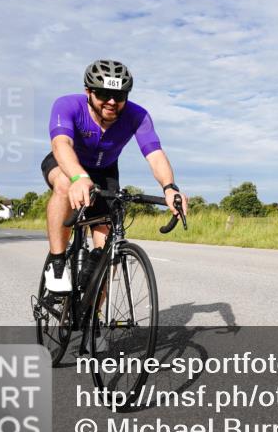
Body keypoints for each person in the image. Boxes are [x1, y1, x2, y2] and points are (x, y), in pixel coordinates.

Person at [41, 59, 187, 292]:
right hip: (67, 163)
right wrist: (79, 177)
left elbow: (155, 153)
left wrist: (169, 187)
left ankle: (94, 315)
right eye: (103, 94)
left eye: (118, 96)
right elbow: (61, 144)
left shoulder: (137, 116)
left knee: (106, 257)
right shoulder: (67, 105)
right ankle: (57, 264)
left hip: (105, 171)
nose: (111, 101)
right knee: (64, 183)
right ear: (88, 91)